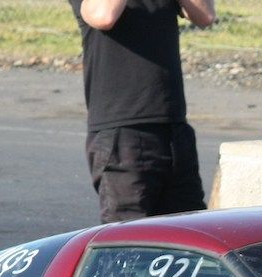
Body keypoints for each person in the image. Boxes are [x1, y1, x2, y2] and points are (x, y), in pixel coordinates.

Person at [71, 0, 216, 223]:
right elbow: (104, 16)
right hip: (122, 132)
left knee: (189, 231)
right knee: (130, 237)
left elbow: (205, 15)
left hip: (174, 127)